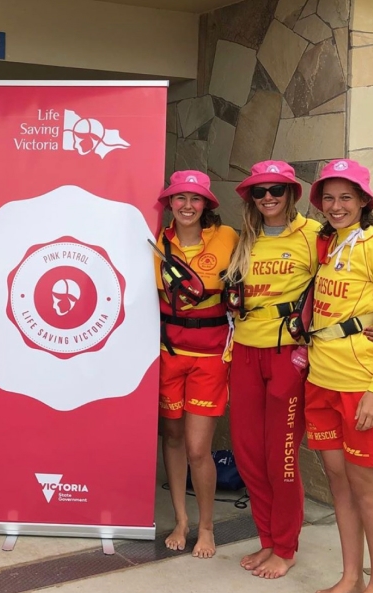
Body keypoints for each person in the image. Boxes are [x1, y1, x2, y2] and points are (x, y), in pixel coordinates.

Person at [223, 161, 320, 579]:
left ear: (291, 194)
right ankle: (267, 540)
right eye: (259, 192)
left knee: (280, 457)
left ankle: (286, 546)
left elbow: (344, 285)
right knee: (247, 455)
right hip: (244, 352)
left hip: (288, 357)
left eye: (276, 191)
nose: (267, 198)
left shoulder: (315, 237)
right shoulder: (246, 239)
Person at [305, 159, 373, 593]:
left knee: (368, 490)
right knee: (340, 483)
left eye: (346, 198)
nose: (336, 206)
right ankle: (351, 577)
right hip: (321, 380)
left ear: (363, 201)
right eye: (329, 198)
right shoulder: (327, 244)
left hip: (360, 386)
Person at [155, 171, 238, 559]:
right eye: (179, 198)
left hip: (210, 357)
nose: (187, 206)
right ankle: (181, 520)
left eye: (195, 199)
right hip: (168, 353)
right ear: (169, 203)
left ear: (207, 205)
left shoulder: (228, 238)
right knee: (171, 438)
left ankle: (206, 528)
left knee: (197, 447)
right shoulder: (157, 241)